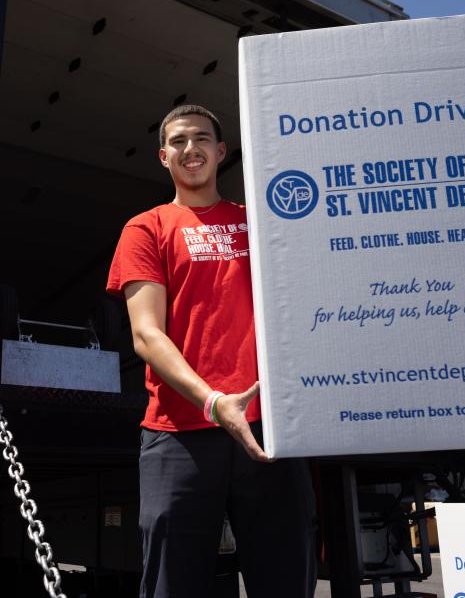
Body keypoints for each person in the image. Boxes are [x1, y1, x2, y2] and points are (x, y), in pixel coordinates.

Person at [106, 104, 316, 598]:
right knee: (171, 585)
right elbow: (146, 334)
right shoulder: (147, 228)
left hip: (269, 429)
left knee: (286, 579)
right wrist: (215, 402)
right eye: (178, 141)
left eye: (201, 138)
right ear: (163, 157)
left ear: (221, 152)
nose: (190, 148)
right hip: (178, 431)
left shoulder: (259, 225)